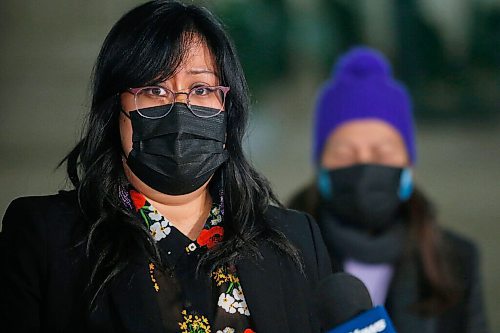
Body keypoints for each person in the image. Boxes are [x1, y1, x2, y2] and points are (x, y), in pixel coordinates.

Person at [0, 1, 331, 332]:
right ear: (115, 108)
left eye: (200, 89)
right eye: (155, 89)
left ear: (228, 108)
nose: (179, 106)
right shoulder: (46, 239)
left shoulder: (296, 240)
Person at [288, 47, 490, 333]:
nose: (365, 165)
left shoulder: (456, 261)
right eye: (345, 153)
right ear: (320, 165)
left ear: (408, 163)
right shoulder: (282, 255)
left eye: (382, 152)